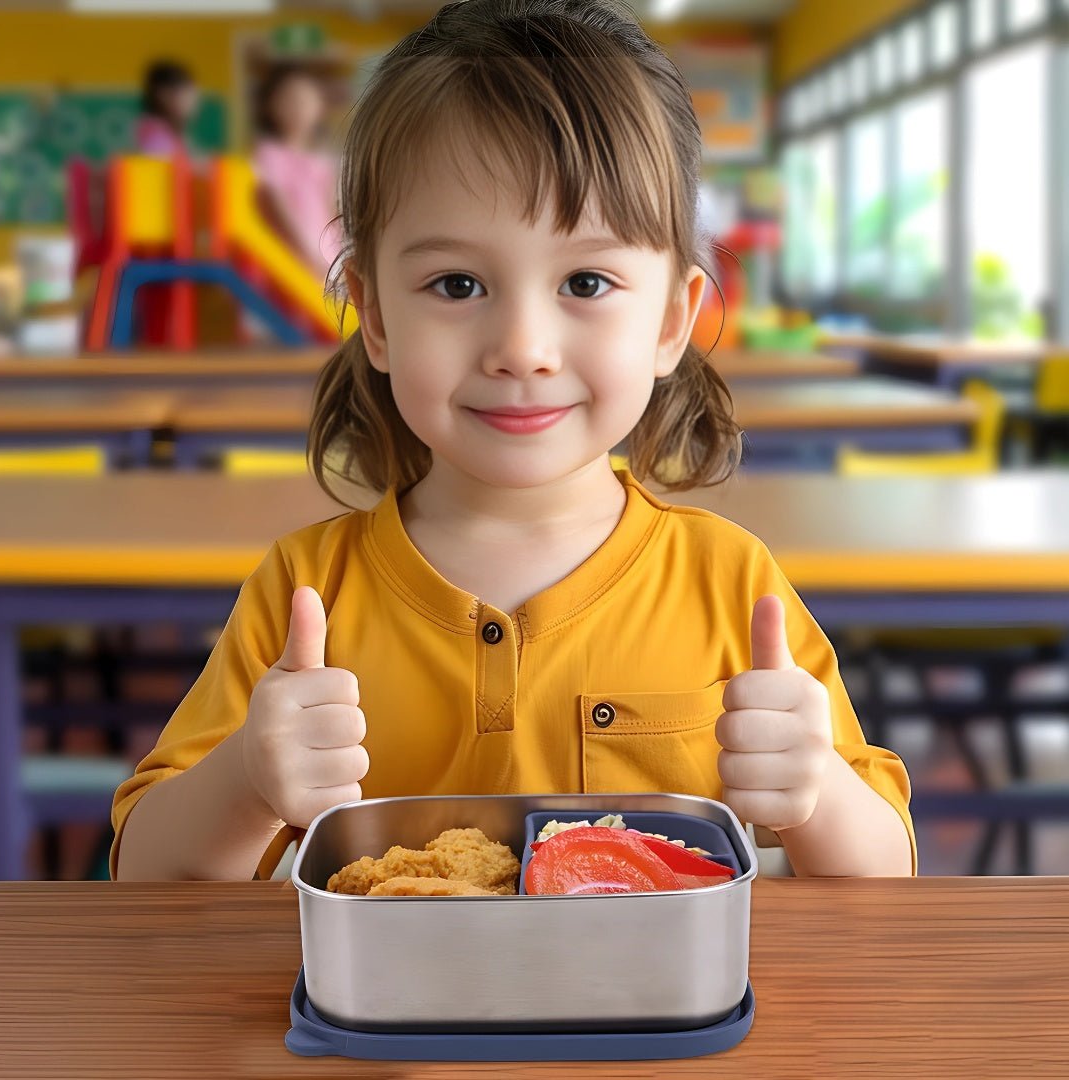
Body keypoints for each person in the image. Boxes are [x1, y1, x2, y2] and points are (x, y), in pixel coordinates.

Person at [113, 0, 915, 882]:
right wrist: (247, 780)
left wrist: (820, 796)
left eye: (586, 279)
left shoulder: (731, 584)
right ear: (375, 317)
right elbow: (143, 876)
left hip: (656, 1018)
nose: (522, 350)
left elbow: (885, 874)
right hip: (377, 1019)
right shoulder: (308, 593)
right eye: (456, 284)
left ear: (671, 319)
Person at [252, 64, 341, 279]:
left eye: (305, 100)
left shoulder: (321, 160)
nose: (297, 108)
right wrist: (308, 254)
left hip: (327, 254)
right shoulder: (269, 154)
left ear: (320, 107)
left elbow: (332, 209)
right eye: (288, 100)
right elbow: (278, 205)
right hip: (293, 255)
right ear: (269, 106)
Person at [135, 60, 199, 158]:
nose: (193, 102)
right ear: (163, 95)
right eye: (187, 94)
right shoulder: (153, 133)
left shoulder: (175, 134)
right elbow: (164, 166)